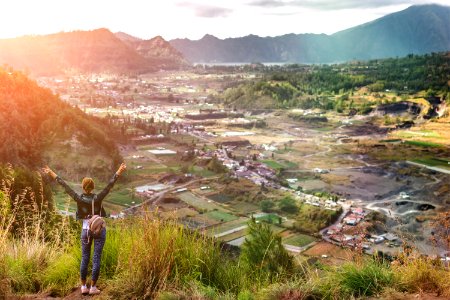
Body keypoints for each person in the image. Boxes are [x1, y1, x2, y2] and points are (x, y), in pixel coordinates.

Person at [43, 163, 126, 295]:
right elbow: (109, 185)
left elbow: (64, 185)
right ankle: (93, 287)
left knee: (85, 257)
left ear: (83, 187)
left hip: (85, 230)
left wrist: (51, 172)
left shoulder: (78, 198)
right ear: (93, 187)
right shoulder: (98, 198)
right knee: (96, 257)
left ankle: (83, 287)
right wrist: (119, 171)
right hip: (99, 229)